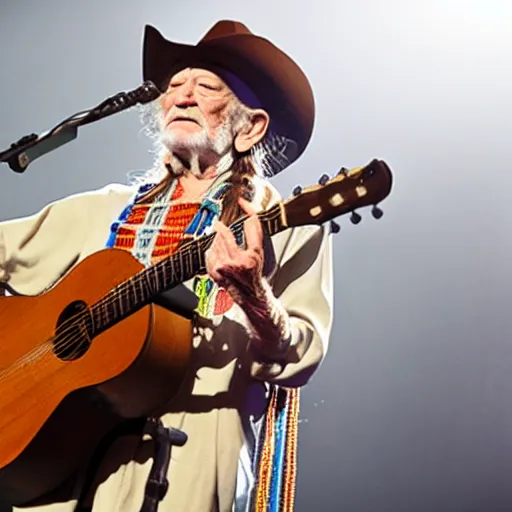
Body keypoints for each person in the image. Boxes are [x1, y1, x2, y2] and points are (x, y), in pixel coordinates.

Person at [0, 20, 333, 512]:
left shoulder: (283, 222)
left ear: (251, 127)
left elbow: (300, 355)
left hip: (189, 456)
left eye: (206, 87)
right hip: (62, 459)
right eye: (174, 86)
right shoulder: (106, 208)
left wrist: (255, 298)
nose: (181, 96)